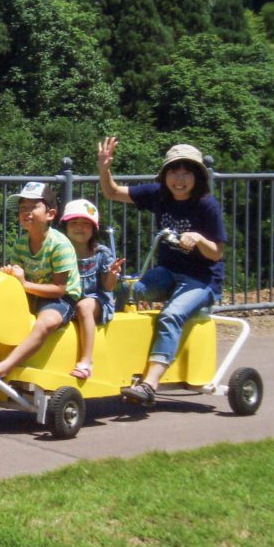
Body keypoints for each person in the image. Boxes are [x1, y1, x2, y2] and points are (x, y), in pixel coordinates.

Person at [97, 137, 226, 406]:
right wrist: (104, 168)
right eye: (174, 171)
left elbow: (217, 252)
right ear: (165, 174)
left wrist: (199, 239)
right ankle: (113, 359)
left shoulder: (206, 205)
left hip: (201, 281)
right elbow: (112, 193)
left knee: (171, 315)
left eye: (187, 172)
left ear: (197, 176)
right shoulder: (159, 195)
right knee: (126, 288)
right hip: (167, 271)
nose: (180, 179)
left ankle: (149, 385)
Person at [0, 182, 82, 387]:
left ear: (50, 214)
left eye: (33, 207)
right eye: (23, 208)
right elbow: (17, 276)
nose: (26, 212)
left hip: (61, 299)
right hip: (32, 292)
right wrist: (9, 276)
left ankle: (1, 370)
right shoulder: (21, 243)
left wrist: (23, 283)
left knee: (46, 322)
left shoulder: (60, 244)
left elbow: (60, 289)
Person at [61, 198, 125, 380]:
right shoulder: (59, 250)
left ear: (94, 228)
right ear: (65, 226)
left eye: (85, 224)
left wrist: (112, 274)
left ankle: (87, 361)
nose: (79, 228)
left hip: (96, 300)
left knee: (84, 306)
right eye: (74, 223)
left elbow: (108, 287)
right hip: (67, 299)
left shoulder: (101, 253)